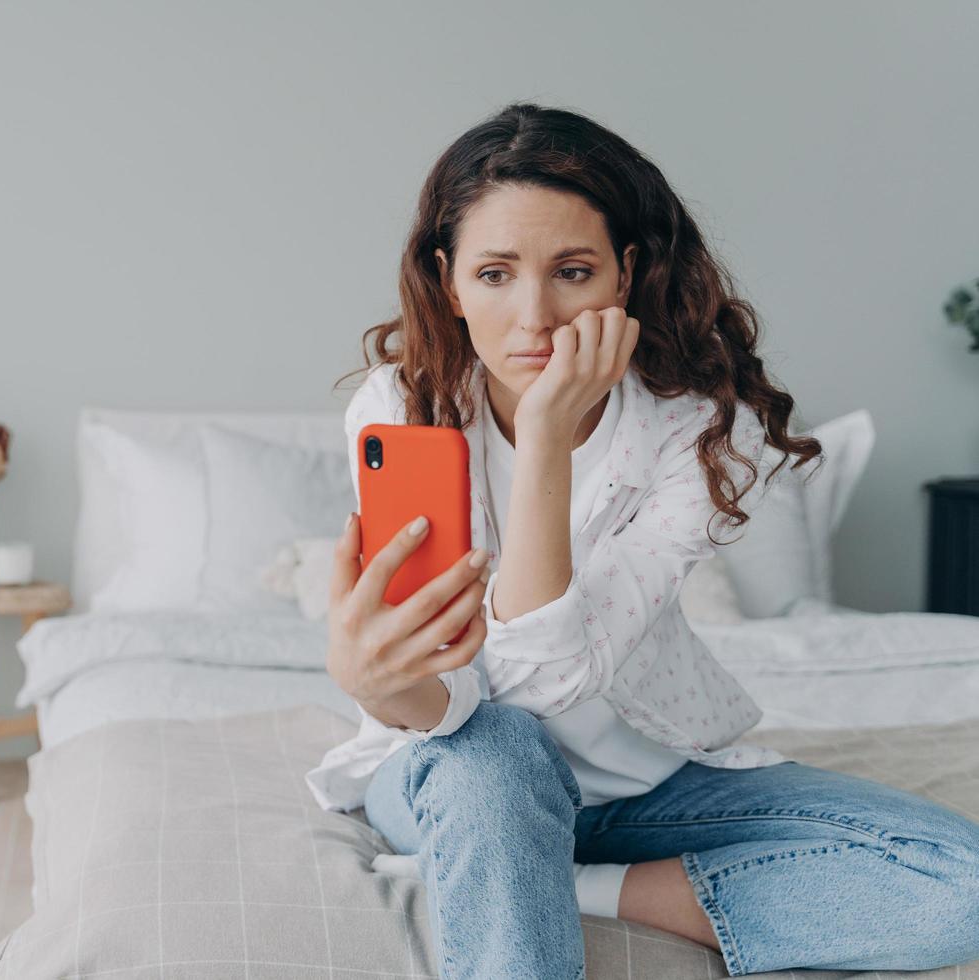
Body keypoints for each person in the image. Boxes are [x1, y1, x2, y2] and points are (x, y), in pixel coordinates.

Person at [310, 102, 979, 978]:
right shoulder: (404, 407)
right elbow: (483, 707)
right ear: (448, 280)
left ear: (625, 274)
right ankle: (505, 855)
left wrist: (546, 437)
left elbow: (547, 681)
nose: (535, 317)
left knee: (961, 883)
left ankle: (562, 881)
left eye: (573, 271)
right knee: (499, 754)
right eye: (497, 273)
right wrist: (378, 688)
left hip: (643, 784)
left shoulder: (697, 429)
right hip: (458, 771)